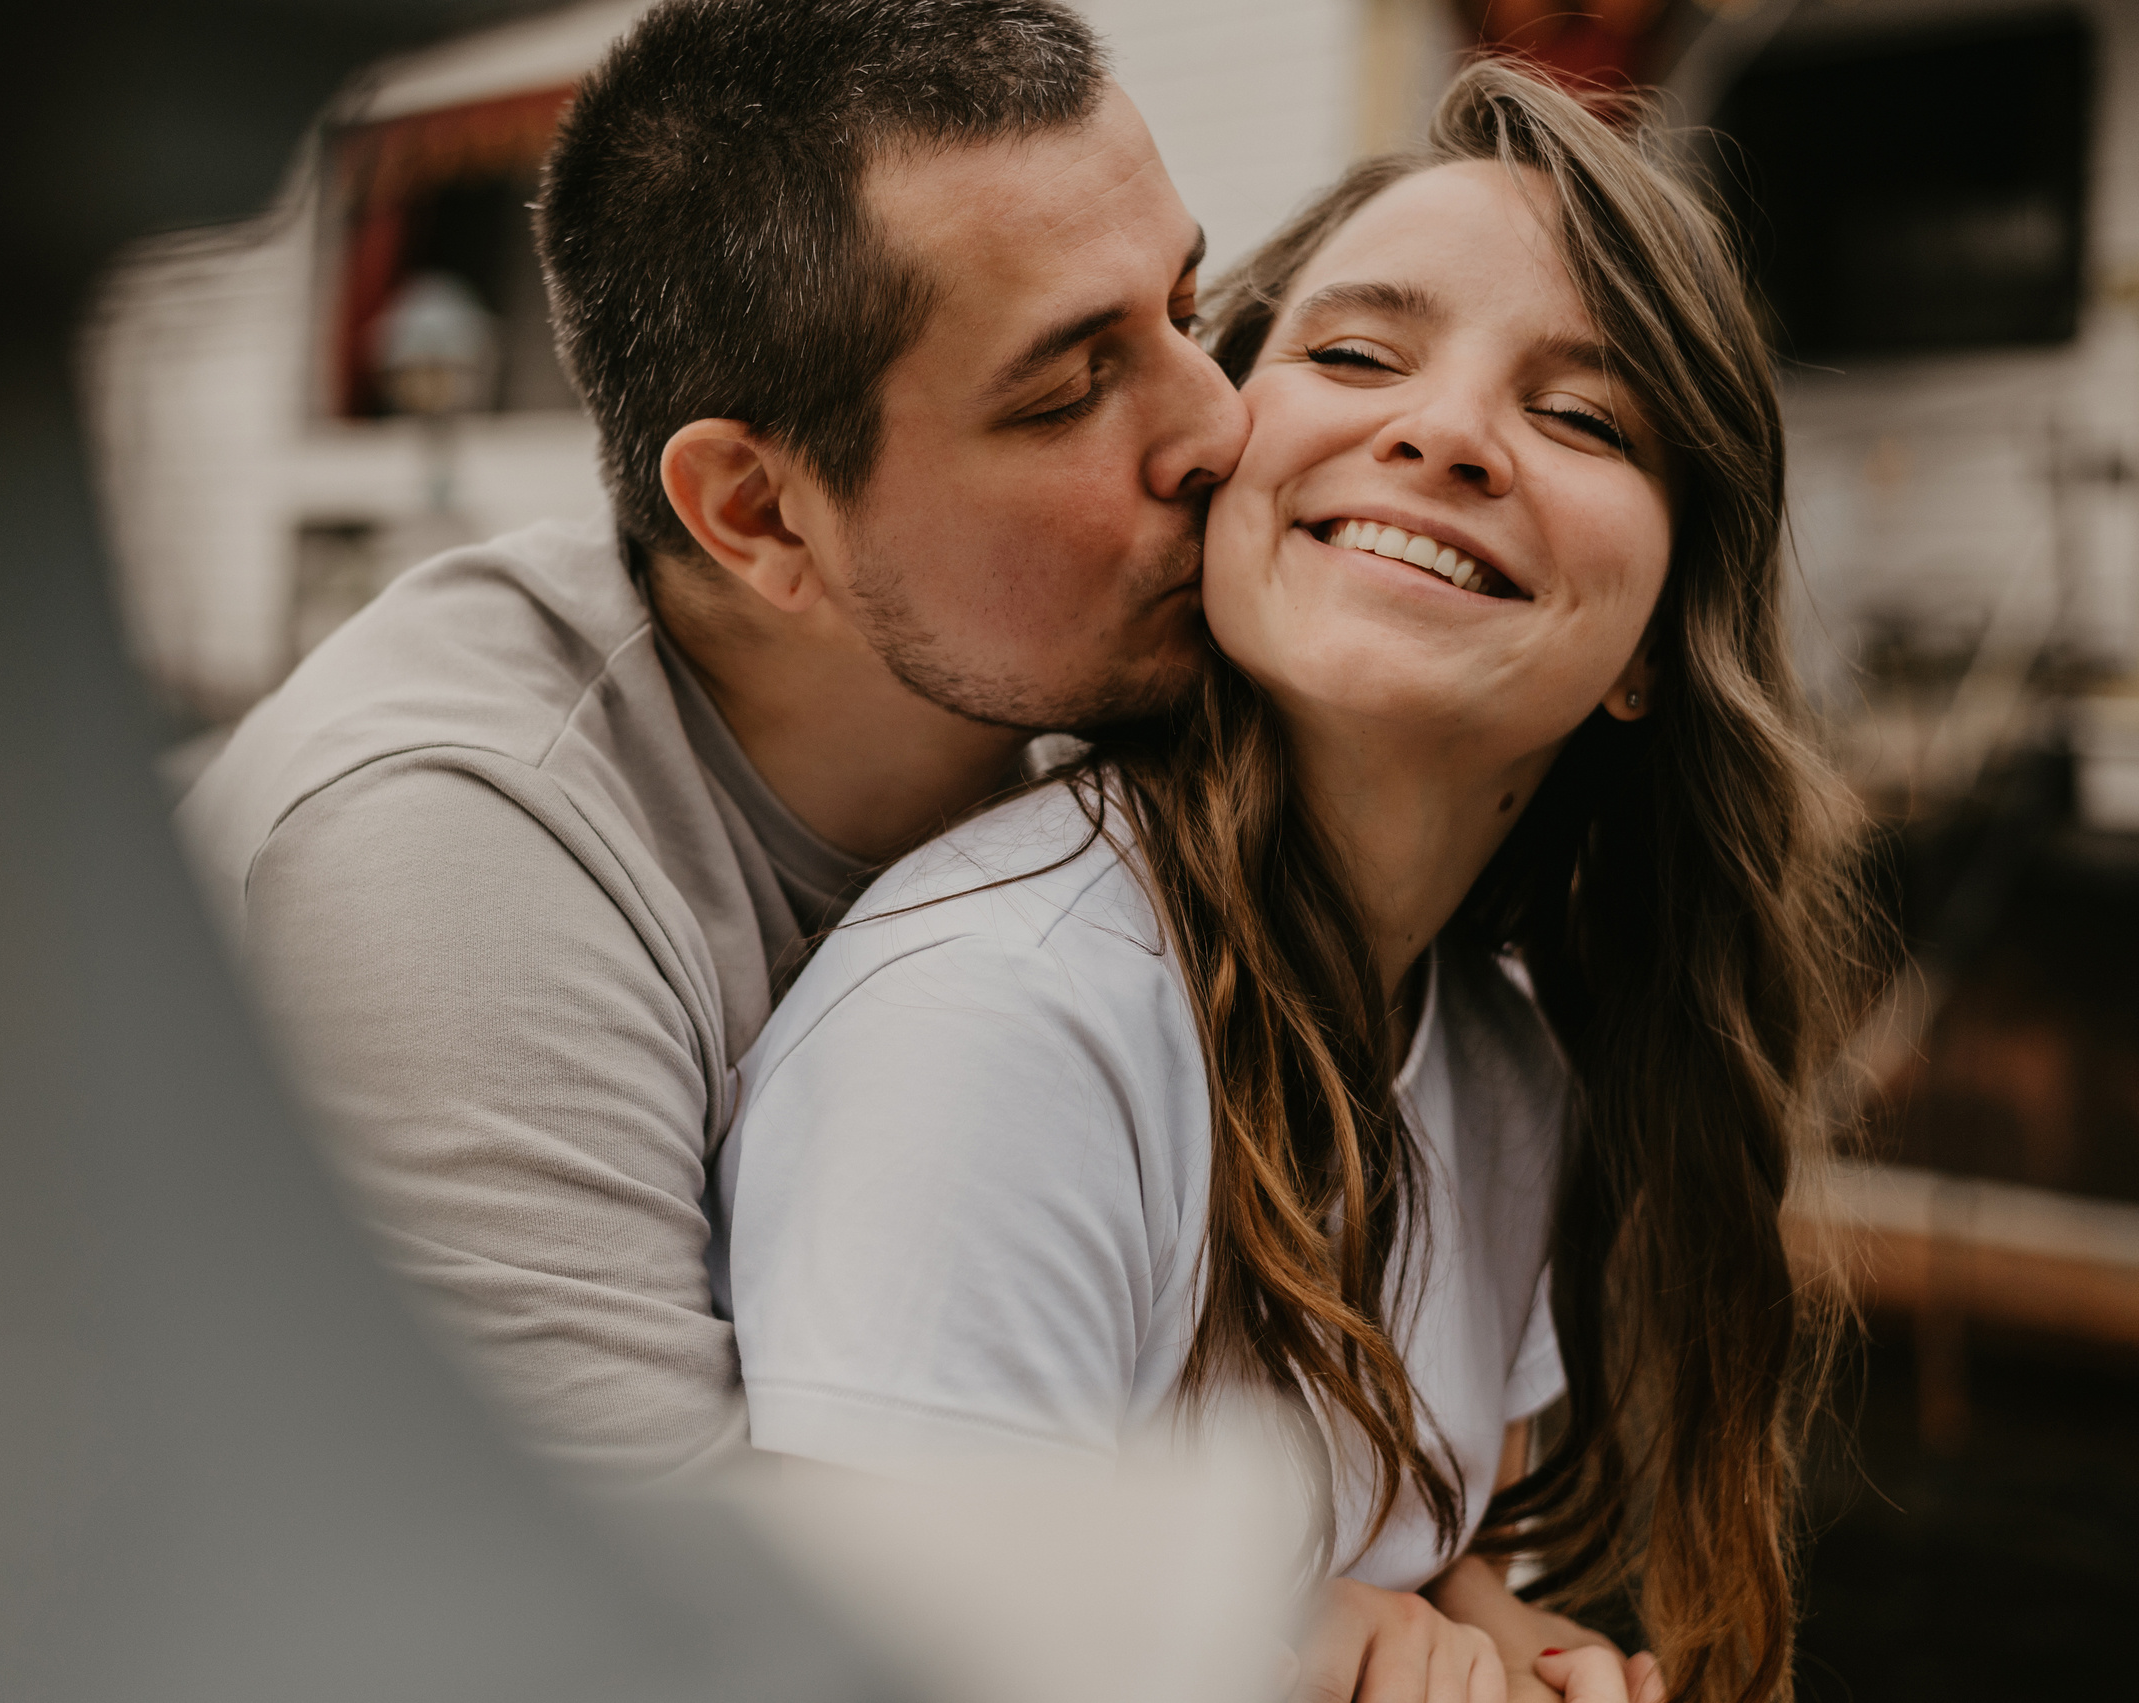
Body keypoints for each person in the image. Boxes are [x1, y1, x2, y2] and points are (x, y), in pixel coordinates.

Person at [719, 60, 1874, 1703]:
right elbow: (896, 1642)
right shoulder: (1000, 1017)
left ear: (1649, 649)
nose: (1446, 431)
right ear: (1219, 465)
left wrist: (1514, 1644)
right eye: (1352, 354)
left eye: (1582, 416)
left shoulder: (1504, 1066)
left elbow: (1413, 1530)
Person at [180, 0, 1246, 1481]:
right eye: (1069, 387)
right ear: (756, 512)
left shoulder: (1086, 690)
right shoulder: (449, 855)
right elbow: (618, 1609)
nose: (1223, 427)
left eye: (1190, 314)